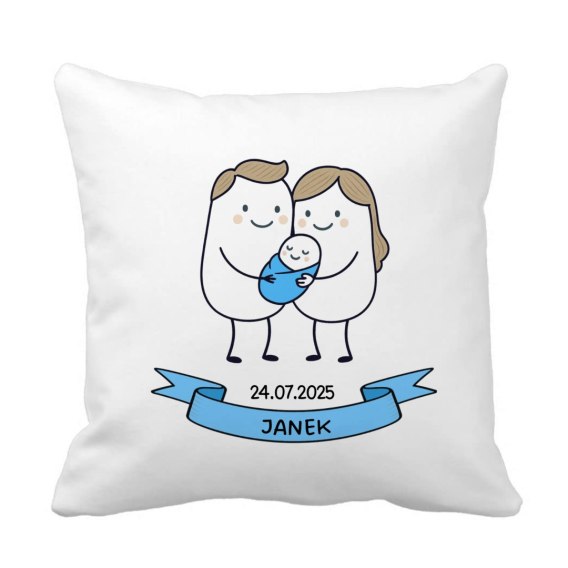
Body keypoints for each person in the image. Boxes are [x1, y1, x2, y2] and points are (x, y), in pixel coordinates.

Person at [292, 166, 389, 362]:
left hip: (344, 289)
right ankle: (319, 350)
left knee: (340, 321)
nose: (320, 222)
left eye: (338, 214)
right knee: (319, 319)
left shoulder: (356, 249)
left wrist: (313, 279)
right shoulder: (305, 247)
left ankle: (342, 350)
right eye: (307, 214)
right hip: (315, 290)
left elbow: (341, 269)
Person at [201, 158, 292, 363]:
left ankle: (264, 351)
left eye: (277, 210)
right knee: (239, 320)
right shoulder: (223, 240)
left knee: (263, 317)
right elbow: (231, 262)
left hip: (268, 287)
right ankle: (236, 351)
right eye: (244, 209)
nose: (263, 217)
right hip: (238, 287)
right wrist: (258, 277)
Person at [259, 234, 320, 305]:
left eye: (305, 253)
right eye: (289, 248)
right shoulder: (275, 262)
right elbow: (270, 270)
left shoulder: (309, 270)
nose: (295, 255)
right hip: (269, 289)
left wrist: (310, 280)